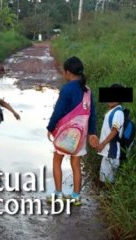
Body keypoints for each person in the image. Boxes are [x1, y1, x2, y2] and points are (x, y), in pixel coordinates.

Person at [46, 56, 98, 205]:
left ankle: (58, 193)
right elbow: (92, 114)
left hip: (66, 134)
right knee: (76, 165)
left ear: (68, 72)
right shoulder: (87, 90)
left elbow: (58, 110)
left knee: (57, 161)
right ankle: (76, 196)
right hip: (81, 135)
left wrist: (50, 127)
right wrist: (92, 133)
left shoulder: (67, 89)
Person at [95, 83, 125, 183]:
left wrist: (102, 144)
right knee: (105, 181)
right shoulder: (113, 111)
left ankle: (106, 198)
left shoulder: (118, 113)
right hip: (108, 153)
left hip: (111, 153)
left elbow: (114, 131)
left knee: (107, 183)